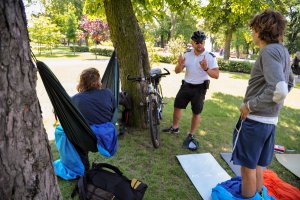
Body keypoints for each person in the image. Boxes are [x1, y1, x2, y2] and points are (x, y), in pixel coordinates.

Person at [231, 10, 294, 198]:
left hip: (255, 121)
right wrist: (274, 105)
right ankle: (258, 194)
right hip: (269, 122)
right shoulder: (283, 50)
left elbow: (280, 89)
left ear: (261, 29)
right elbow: (289, 83)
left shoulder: (268, 51)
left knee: (247, 168)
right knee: (258, 165)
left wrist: (249, 105)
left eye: (253, 29)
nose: (252, 33)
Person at [163, 30, 219, 149]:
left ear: (204, 43)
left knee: (196, 112)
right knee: (177, 106)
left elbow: (216, 75)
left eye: (202, 42)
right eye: (197, 42)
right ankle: (175, 127)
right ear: (192, 43)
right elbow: (177, 71)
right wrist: (179, 64)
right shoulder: (187, 54)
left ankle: (191, 134)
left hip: (199, 88)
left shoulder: (210, 57)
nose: (199, 45)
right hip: (186, 85)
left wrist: (206, 68)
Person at [72, 67, 116, 171]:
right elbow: (114, 108)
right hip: (107, 134)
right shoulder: (108, 93)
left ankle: (84, 168)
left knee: (74, 137)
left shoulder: (75, 99)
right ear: (98, 81)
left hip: (86, 137)